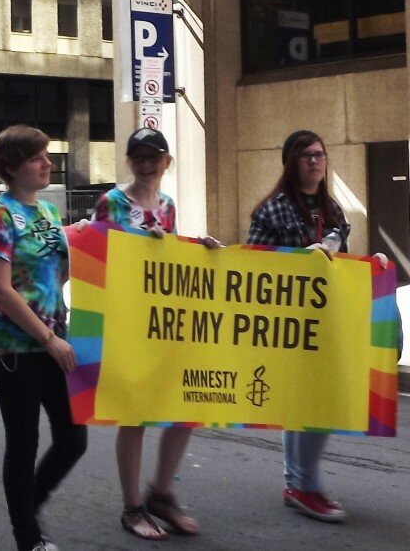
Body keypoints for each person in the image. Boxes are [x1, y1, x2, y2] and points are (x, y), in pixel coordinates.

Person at [247, 129, 388, 523]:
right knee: (315, 402)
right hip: (288, 324)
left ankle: (298, 483)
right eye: (305, 155)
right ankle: (305, 486)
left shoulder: (333, 209)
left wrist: (370, 266)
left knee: (308, 402)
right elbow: (254, 267)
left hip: (325, 323)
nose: (314, 161)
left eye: (319, 154)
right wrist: (296, 258)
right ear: (290, 163)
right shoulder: (271, 210)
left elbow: (339, 263)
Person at [87, 127, 219, 539]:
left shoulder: (168, 205)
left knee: (185, 405)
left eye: (154, 157)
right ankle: (132, 507)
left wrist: (198, 248)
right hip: (127, 324)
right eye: (139, 157)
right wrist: (138, 241)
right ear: (129, 162)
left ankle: (162, 491)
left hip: (164, 325)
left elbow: (168, 262)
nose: (147, 164)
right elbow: (96, 255)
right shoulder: (111, 202)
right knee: (136, 414)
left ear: (167, 163)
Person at [0, 125, 87, 551]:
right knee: (24, 443)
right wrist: (49, 337)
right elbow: (0, 290)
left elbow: (58, 272)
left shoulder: (46, 212)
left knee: (73, 439)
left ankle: (27, 506)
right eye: (38, 157)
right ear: (11, 166)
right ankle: (27, 536)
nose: (48, 163)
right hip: (15, 350)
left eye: (47, 155)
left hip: (54, 342)